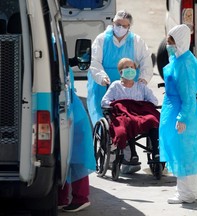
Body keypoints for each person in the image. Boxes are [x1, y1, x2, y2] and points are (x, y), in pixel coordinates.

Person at [87, 10, 153, 171]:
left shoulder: (136, 41)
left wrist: (143, 78)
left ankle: (127, 152)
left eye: (124, 25)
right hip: (103, 84)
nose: (120, 28)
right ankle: (110, 152)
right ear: (113, 23)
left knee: (129, 116)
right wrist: (102, 77)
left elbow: (145, 61)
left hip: (129, 86)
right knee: (104, 117)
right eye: (117, 24)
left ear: (129, 26)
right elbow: (95, 61)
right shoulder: (102, 39)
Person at [159, 24, 197, 204]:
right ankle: (193, 191)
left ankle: (185, 194)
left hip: (183, 113)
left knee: (183, 154)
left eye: (171, 42)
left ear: (180, 42)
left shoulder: (185, 64)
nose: (168, 45)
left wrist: (182, 117)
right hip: (178, 111)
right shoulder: (180, 58)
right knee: (186, 152)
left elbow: (188, 94)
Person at [101, 58, 159, 169]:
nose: (130, 69)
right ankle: (132, 153)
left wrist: (143, 104)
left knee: (152, 119)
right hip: (124, 115)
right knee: (128, 121)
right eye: (126, 67)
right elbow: (104, 102)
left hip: (140, 114)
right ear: (120, 72)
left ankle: (156, 151)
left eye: (132, 67)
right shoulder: (116, 86)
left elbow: (154, 101)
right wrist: (116, 105)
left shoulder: (141, 86)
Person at [58, 69, 96, 213]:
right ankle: (62, 199)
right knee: (67, 160)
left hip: (73, 119)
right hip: (73, 115)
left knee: (75, 160)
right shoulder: (64, 68)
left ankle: (80, 198)